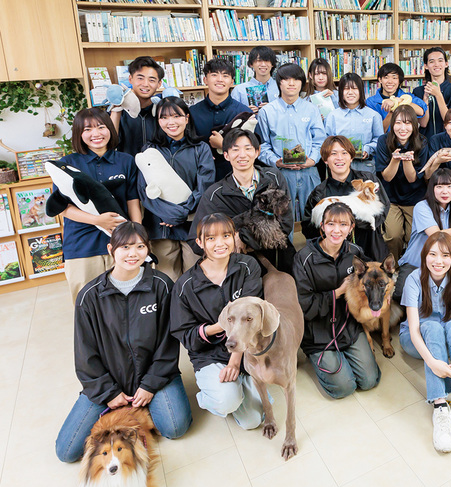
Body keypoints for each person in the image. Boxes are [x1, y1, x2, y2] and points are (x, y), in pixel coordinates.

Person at [56, 222, 192, 463]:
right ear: (111, 249)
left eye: (140, 246)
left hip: (155, 376)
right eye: (125, 247)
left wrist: (150, 385)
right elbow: (85, 355)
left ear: (148, 249)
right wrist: (108, 392)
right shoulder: (90, 296)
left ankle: (140, 405)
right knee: (66, 452)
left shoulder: (161, 286)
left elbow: (168, 344)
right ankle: (122, 407)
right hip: (109, 381)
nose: (133, 254)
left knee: (175, 428)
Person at [171, 214, 266, 429]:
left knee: (253, 421)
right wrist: (219, 326)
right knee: (226, 401)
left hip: (244, 349)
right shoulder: (184, 286)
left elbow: (252, 319)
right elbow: (187, 336)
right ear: (200, 242)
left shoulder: (248, 266)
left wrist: (234, 361)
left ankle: (240, 383)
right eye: (211, 238)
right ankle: (211, 396)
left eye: (226, 236)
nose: (220, 243)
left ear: (235, 237)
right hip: (210, 353)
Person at [400, 232, 451, 453]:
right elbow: (415, 330)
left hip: (445, 335)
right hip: (415, 340)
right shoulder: (414, 279)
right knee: (432, 327)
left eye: (445, 255)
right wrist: (433, 362)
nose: (438, 261)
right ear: (424, 256)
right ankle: (440, 405)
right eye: (433, 254)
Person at [294, 202, 381, 399]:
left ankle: (344, 355)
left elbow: (372, 277)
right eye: (331, 224)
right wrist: (339, 292)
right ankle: (322, 358)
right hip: (318, 331)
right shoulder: (304, 258)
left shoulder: (355, 252)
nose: (336, 230)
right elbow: (304, 305)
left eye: (343, 225)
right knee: (344, 388)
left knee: (369, 381)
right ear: (322, 227)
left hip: (348, 325)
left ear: (351, 228)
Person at [56, 108, 142, 302]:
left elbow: (133, 201)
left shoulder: (126, 161)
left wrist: (137, 235)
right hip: (81, 246)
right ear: (79, 134)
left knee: (125, 302)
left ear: (110, 129)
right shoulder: (67, 163)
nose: (96, 134)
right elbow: (63, 208)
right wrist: (97, 220)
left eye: (101, 127)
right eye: (87, 129)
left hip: (122, 243)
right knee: (87, 304)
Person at [189, 128, 294, 273]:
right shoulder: (214, 194)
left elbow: (285, 223)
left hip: (278, 262)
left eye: (248, 148)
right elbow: (196, 240)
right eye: (235, 149)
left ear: (257, 152)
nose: (242, 155)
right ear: (226, 155)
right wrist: (231, 240)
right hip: (237, 270)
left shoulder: (274, 177)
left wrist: (244, 237)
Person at [139, 96, 215, 281]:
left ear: (187, 118)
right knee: (167, 278)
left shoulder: (201, 148)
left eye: (176, 116)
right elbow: (144, 190)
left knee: (195, 278)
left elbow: (205, 186)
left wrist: (181, 213)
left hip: (192, 226)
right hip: (161, 227)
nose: (170, 122)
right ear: (158, 121)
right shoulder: (149, 149)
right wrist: (168, 214)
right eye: (164, 117)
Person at [394, 170, 451, 306]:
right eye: (439, 186)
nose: (445, 191)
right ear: (432, 189)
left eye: (449, 186)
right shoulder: (422, 207)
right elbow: (437, 236)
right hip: (416, 263)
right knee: (402, 296)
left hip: (441, 265)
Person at [255, 62, 326, 221]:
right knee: (282, 219)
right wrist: (276, 162)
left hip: (309, 171)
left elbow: (320, 140)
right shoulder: (267, 112)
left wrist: (312, 160)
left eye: (296, 79)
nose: (291, 83)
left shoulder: (311, 109)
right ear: (279, 82)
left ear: (302, 82)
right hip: (281, 173)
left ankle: (313, 246)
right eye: (286, 79)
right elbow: (263, 145)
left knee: (314, 217)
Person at [302, 136, 390, 261]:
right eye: (333, 154)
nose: (339, 158)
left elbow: (382, 210)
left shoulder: (368, 180)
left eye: (344, 153)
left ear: (351, 157)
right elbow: (309, 228)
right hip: (336, 257)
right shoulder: (319, 193)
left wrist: (354, 222)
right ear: (325, 159)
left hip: (369, 249)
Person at [374, 105, 429, 259]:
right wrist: (395, 160)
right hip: (390, 198)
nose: (402, 128)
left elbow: (412, 179)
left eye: (407, 123)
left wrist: (407, 162)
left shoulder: (422, 142)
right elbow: (387, 177)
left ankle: (411, 266)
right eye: (398, 123)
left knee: (414, 237)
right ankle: (394, 267)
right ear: (392, 124)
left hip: (415, 198)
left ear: (414, 125)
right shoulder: (383, 140)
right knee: (393, 236)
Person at [190, 58, 252, 182]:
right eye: (214, 75)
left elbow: (253, 149)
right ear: (205, 80)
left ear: (232, 81)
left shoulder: (244, 113)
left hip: (236, 179)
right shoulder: (192, 112)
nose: (219, 79)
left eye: (225, 76)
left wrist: (224, 145)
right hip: (200, 180)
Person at [324, 73, 385, 174]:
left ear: (361, 91)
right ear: (341, 92)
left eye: (355, 89)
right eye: (346, 89)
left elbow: (379, 140)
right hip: (339, 166)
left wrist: (368, 148)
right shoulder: (332, 116)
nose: (350, 92)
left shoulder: (373, 115)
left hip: (365, 166)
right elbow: (327, 141)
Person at [110, 55, 163, 156]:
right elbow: (109, 144)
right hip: (128, 169)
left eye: (151, 80)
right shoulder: (118, 111)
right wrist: (116, 110)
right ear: (130, 79)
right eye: (140, 78)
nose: (145, 84)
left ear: (159, 83)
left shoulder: (162, 110)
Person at [412, 47, 451, 139]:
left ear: (446, 64)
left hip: (448, 140)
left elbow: (450, 121)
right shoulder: (418, 91)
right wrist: (425, 100)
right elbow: (423, 124)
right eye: (432, 61)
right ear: (426, 66)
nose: (436, 64)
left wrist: (438, 95)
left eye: (440, 60)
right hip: (424, 141)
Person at [365, 63, 427, 130]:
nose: (390, 81)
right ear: (380, 80)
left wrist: (400, 101)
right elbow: (377, 131)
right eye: (386, 77)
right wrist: (392, 109)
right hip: (383, 140)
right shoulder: (371, 102)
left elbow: (421, 111)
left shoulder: (408, 97)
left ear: (399, 81)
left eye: (394, 78)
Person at [230, 46, 280, 113]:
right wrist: (245, 113)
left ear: (272, 64)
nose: (263, 64)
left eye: (267, 60)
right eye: (259, 61)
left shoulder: (281, 87)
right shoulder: (239, 90)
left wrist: (273, 110)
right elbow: (231, 116)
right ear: (251, 64)